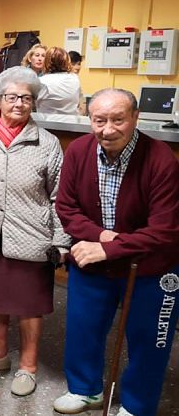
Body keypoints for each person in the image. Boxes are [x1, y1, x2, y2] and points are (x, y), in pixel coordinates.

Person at [54, 88, 179, 416]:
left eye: (118, 120)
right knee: (83, 329)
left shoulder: (161, 158)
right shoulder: (80, 150)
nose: (108, 129)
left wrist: (109, 249)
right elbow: (67, 208)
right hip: (93, 258)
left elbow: (165, 229)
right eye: (99, 120)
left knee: (149, 340)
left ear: (136, 118)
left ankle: (137, 406)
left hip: (152, 266)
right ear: (90, 120)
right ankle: (85, 390)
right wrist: (103, 239)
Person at [0, 66, 71, 397]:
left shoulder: (47, 143)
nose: (20, 103)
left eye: (27, 98)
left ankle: (28, 367)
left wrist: (60, 240)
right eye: (12, 97)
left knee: (29, 306)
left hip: (32, 237)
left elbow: (60, 197)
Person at [37, 47, 82, 115]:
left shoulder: (42, 81)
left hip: (46, 123)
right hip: (71, 122)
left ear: (46, 61)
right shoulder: (74, 79)